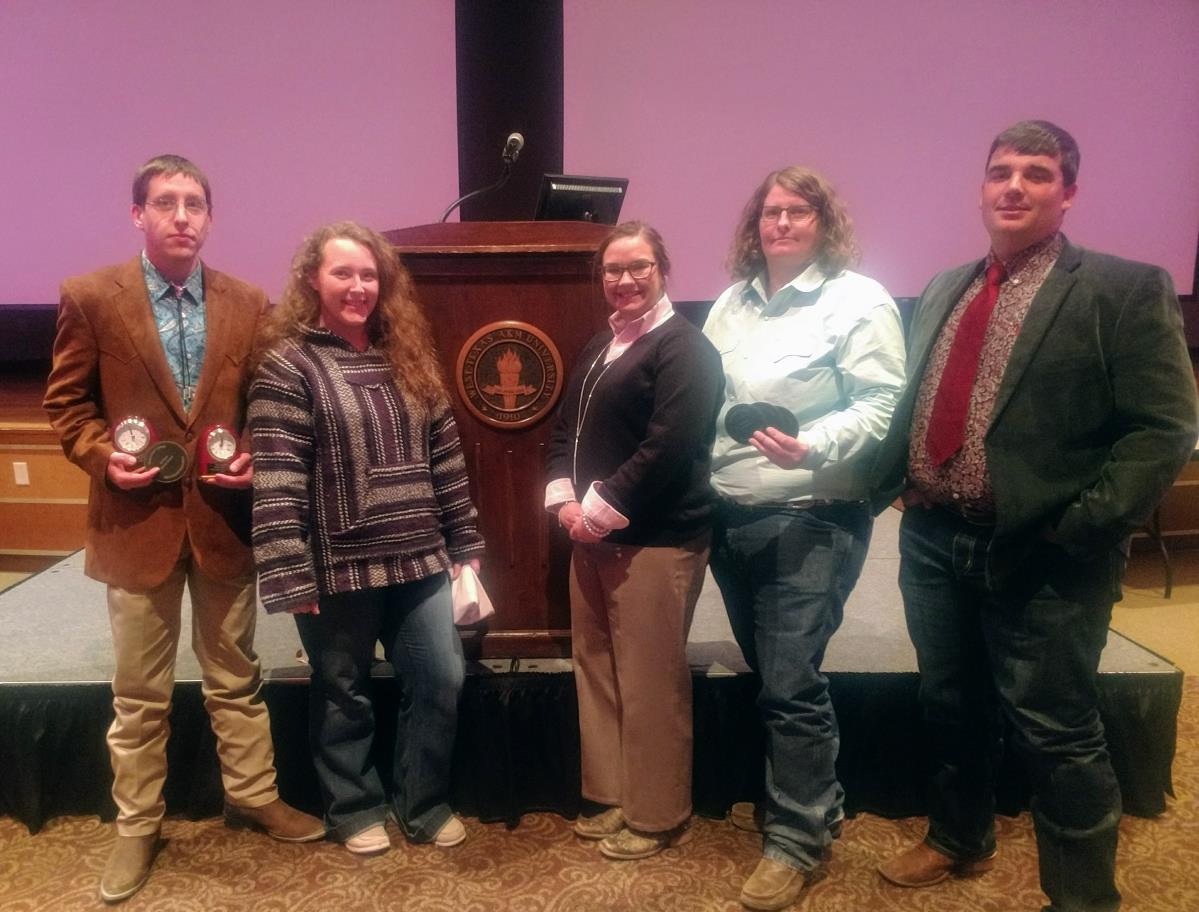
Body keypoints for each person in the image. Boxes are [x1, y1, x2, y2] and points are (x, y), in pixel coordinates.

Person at [871, 121, 1199, 912]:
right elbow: (922, 402)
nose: (1013, 185)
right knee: (950, 707)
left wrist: (1083, 525)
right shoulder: (947, 285)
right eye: (999, 172)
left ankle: (1082, 898)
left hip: (1044, 553)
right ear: (980, 188)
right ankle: (958, 836)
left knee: (1055, 732)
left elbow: (1163, 427)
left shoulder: (1123, 287)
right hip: (933, 541)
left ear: (1067, 192)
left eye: (1036, 173)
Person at [43, 155, 324, 904]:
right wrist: (106, 459)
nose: (180, 216)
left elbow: (266, 404)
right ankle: (138, 824)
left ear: (209, 217)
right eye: (164, 202)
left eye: (193, 203)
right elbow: (68, 408)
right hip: (137, 524)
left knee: (237, 678)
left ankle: (254, 794)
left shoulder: (246, 301)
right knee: (139, 693)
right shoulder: (90, 297)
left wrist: (259, 456)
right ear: (138, 214)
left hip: (223, 523)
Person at [703, 166, 906, 910]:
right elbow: (709, 402)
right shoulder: (729, 305)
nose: (780, 224)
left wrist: (813, 444)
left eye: (796, 211)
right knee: (777, 673)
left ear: (823, 222)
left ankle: (795, 841)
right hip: (730, 515)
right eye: (768, 212)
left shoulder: (858, 300)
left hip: (811, 515)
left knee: (790, 683)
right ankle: (817, 800)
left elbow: (883, 401)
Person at [249, 221, 483, 857]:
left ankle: (423, 802)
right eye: (342, 273)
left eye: (369, 275)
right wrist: (289, 572)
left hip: (421, 558)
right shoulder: (287, 364)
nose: (358, 287)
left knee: (441, 678)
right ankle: (354, 807)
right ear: (311, 280)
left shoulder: (409, 355)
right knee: (342, 695)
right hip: (334, 569)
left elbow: (447, 459)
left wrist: (464, 543)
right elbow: (277, 477)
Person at [545, 221, 724, 860]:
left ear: (663, 269)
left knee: (650, 682)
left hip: (656, 542)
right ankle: (614, 795)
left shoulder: (687, 350)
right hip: (591, 539)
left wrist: (597, 509)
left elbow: (668, 450)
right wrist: (565, 504)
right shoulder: (600, 346)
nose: (623, 280)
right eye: (612, 270)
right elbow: (564, 432)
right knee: (597, 672)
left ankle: (656, 812)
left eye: (638, 266)